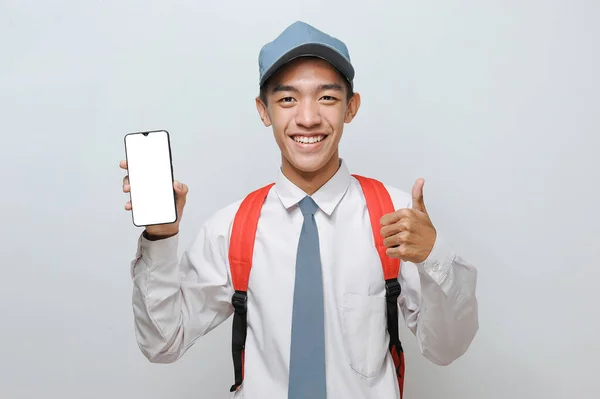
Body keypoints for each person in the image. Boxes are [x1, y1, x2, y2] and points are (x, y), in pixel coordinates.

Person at [120, 21, 479, 398]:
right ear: (264, 110)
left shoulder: (395, 217)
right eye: (288, 99)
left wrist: (432, 253)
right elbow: (163, 343)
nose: (307, 118)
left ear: (351, 107)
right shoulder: (232, 228)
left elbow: (447, 349)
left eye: (326, 97)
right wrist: (160, 237)